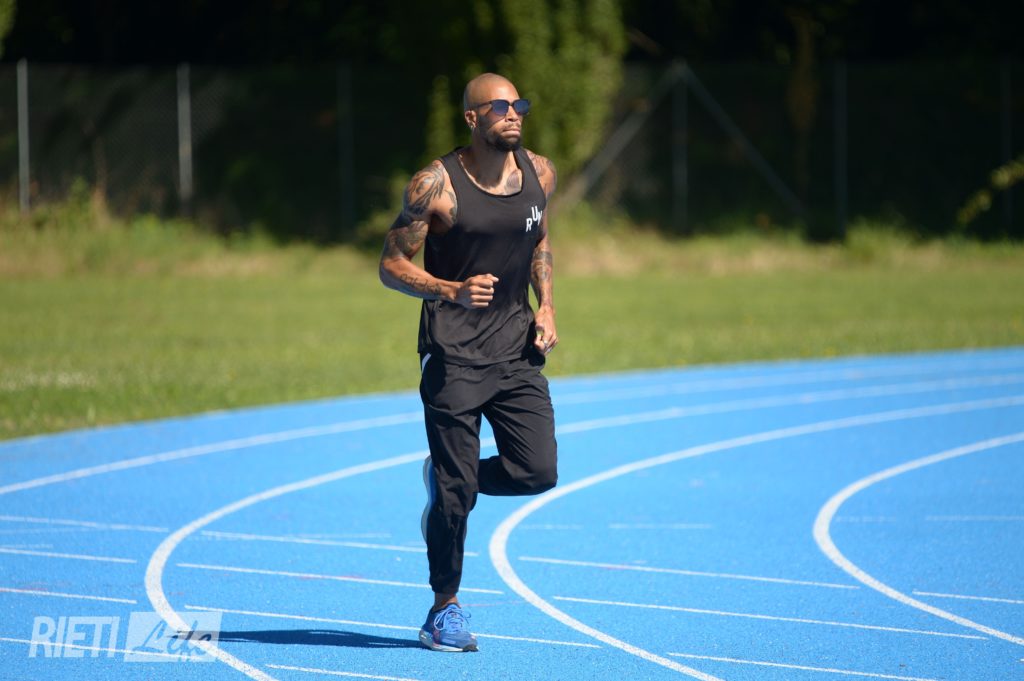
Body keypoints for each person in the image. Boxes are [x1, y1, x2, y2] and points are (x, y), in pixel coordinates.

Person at [378, 73, 559, 653]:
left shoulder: (540, 173)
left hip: (516, 348)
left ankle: (445, 477)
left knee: (537, 471)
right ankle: (443, 609)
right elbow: (390, 265)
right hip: (453, 353)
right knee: (458, 495)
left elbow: (539, 240)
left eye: (518, 105)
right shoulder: (435, 185)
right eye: (499, 106)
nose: (513, 113)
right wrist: (450, 290)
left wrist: (547, 305)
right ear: (472, 118)